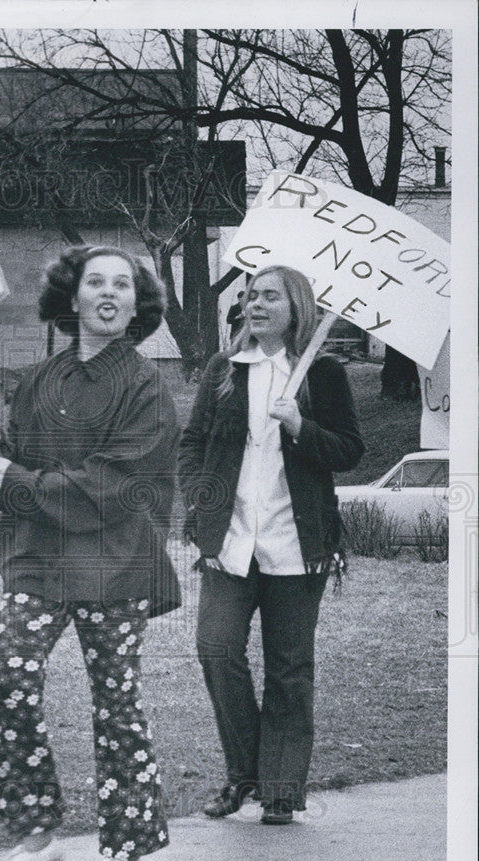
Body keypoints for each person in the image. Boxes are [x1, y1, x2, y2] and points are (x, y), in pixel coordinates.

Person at [0, 245, 180, 861]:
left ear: (137, 305)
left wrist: (21, 481)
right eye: (97, 281)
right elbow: (8, 476)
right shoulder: (37, 381)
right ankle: (35, 836)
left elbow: (115, 483)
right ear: (74, 296)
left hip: (115, 565)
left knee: (116, 699)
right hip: (40, 563)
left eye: (123, 284)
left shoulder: (145, 387)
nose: (110, 292)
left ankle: (125, 845)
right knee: (10, 677)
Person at [177, 265, 364, 825]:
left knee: (289, 668)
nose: (255, 305)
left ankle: (280, 790)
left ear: (296, 306)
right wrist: (198, 504)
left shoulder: (322, 375)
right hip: (229, 545)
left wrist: (301, 425)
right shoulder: (225, 369)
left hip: (296, 546)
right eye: (250, 296)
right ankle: (246, 773)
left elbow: (350, 450)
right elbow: (193, 445)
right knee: (216, 648)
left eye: (269, 297)